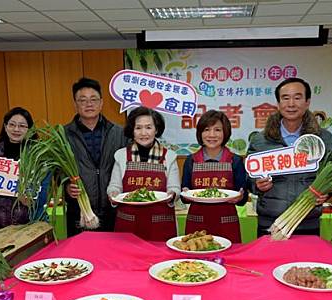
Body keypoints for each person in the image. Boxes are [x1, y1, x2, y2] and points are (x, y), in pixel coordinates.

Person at [247, 77, 332, 237]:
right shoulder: (260, 140)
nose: (291, 104)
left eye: (297, 97)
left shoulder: (323, 139)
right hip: (269, 222)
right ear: (278, 103)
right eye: (285, 98)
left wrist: (327, 191)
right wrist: (256, 184)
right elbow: (249, 177)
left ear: (307, 102)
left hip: (308, 220)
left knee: (306, 263)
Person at [64, 77, 127, 236]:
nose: (89, 104)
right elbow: (57, 172)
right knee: (80, 259)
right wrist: (66, 187)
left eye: (93, 99)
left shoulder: (119, 133)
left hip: (113, 211)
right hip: (79, 212)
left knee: (113, 258)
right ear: (75, 104)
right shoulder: (64, 135)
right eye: (82, 100)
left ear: (101, 103)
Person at [107, 107, 180, 241]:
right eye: (138, 128)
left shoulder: (169, 156)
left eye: (148, 127)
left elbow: (175, 188)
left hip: (160, 225)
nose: (143, 133)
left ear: (156, 129)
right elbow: (114, 186)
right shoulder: (121, 155)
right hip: (128, 223)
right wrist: (112, 194)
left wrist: (172, 194)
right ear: (132, 131)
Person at [0, 107, 49, 232]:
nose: (16, 129)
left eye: (22, 126)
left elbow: (44, 194)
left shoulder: (39, 157)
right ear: (5, 126)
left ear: (30, 130)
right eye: (12, 124)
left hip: (29, 226)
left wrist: (31, 201)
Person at [181, 110, 248, 243]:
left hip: (227, 223)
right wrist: (185, 193)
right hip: (196, 223)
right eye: (206, 130)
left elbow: (243, 198)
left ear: (225, 133)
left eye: (217, 130)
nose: (212, 135)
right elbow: (185, 198)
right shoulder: (191, 160)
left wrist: (240, 196)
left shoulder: (235, 161)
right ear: (200, 133)